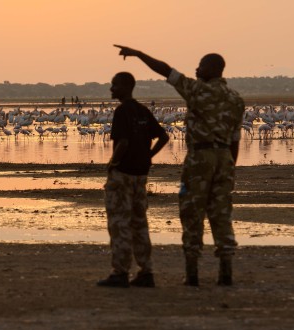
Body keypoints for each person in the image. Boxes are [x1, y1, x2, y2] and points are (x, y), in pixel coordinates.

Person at [114, 45, 245, 286]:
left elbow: (165, 70)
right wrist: (229, 169)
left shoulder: (195, 90)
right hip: (225, 158)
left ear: (213, 69)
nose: (197, 68)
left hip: (200, 158)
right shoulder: (237, 100)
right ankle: (225, 272)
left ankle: (192, 273)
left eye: (202, 65)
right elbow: (236, 140)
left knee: (192, 212)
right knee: (221, 213)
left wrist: (140, 54)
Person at [97, 72, 169, 288]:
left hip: (124, 175)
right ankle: (146, 272)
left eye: (114, 85)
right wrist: (148, 157)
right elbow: (164, 137)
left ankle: (120, 272)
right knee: (139, 224)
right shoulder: (143, 110)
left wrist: (113, 163)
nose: (111, 89)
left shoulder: (122, 111)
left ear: (126, 87)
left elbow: (123, 142)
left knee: (119, 223)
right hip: (141, 175)